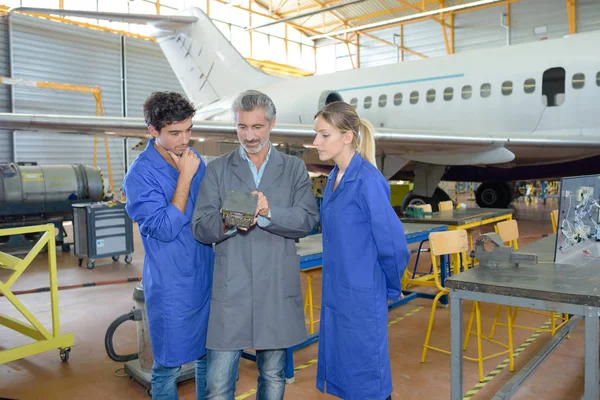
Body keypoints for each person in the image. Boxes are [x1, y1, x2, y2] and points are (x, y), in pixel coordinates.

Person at [191, 89, 319, 400]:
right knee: (218, 385)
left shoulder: (293, 168)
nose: (249, 136)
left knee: (273, 376)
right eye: (241, 127)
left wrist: (267, 213)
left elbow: (307, 220)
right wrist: (228, 220)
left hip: (275, 285)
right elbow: (199, 227)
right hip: (231, 288)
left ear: (272, 124)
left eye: (257, 127)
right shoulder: (218, 169)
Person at [312, 101, 410, 400]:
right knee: (346, 374)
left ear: (347, 137)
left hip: (362, 296)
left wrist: (392, 287)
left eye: (323, 135)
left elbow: (393, 245)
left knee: (368, 378)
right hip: (337, 292)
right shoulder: (333, 178)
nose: (316, 142)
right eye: (316, 134)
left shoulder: (367, 180)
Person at [122, 91, 214, 400]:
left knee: (207, 356)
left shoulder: (193, 160)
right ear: (153, 131)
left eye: (188, 130)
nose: (185, 139)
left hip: (204, 273)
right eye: (175, 132)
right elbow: (163, 228)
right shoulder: (139, 175)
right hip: (171, 282)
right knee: (167, 365)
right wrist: (184, 178)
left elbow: (205, 210)